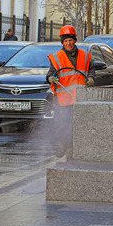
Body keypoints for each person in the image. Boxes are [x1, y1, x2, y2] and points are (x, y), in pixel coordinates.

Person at [46, 25, 95, 160]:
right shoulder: (57, 57)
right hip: (63, 98)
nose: (68, 43)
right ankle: (63, 145)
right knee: (62, 124)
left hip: (80, 97)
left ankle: (70, 150)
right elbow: (51, 73)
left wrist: (91, 78)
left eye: (70, 40)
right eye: (65, 41)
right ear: (62, 42)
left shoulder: (85, 56)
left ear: (75, 40)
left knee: (75, 126)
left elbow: (91, 70)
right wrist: (50, 78)